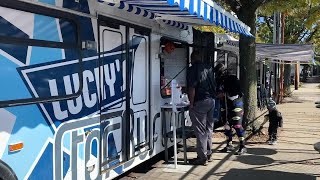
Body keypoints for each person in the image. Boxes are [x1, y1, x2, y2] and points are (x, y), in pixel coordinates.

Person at [187, 50, 216, 165]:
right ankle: (208, 153)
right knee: (209, 128)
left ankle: (202, 157)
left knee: (200, 131)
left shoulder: (192, 69)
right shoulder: (208, 68)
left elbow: (192, 88)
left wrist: (191, 103)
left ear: (192, 59)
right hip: (211, 101)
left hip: (200, 102)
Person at [214, 63, 247, 155]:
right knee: (226, 125)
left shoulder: (232, 79)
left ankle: (242, 146)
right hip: (225, 105)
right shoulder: (219, 80)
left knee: (237, 125)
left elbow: (236, 92)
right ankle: (229, 144)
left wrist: (225, 94)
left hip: (236, 104)